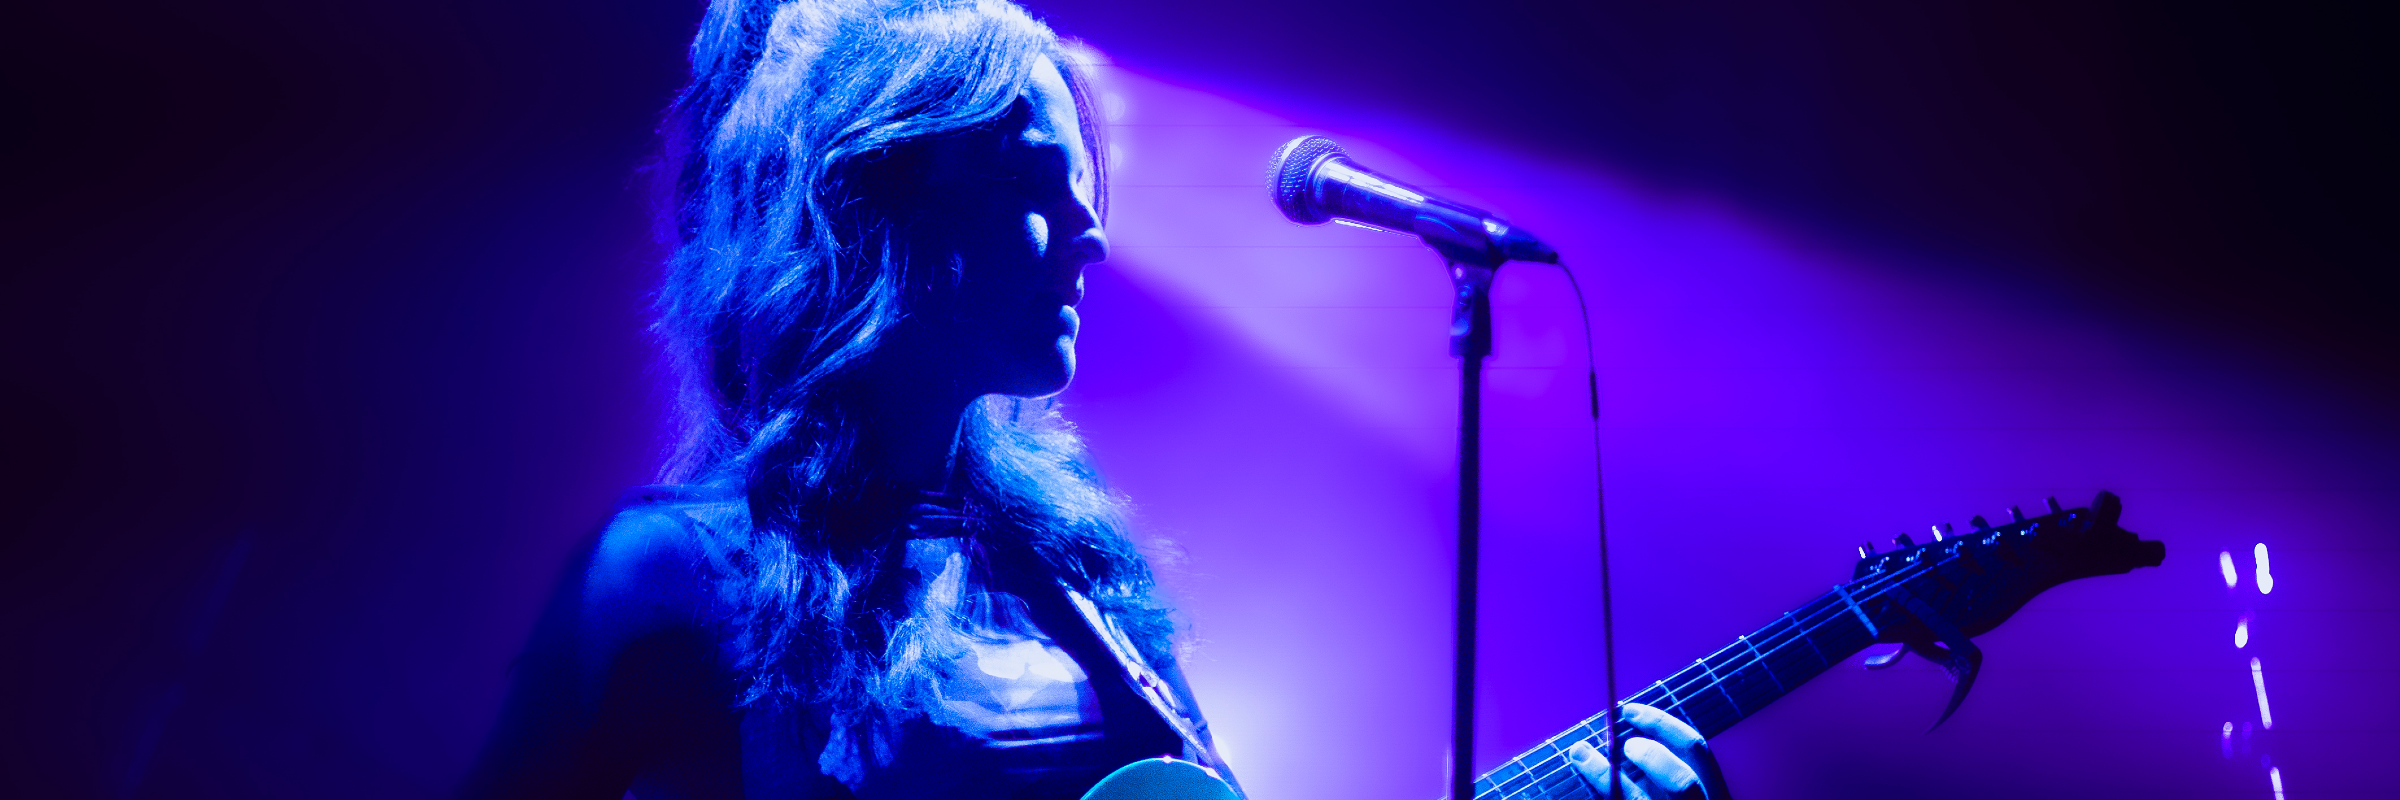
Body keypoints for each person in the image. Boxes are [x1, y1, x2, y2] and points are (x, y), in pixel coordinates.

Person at [459, 1, 1730, 798]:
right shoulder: (677, 573)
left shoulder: (1078, 572)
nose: (1094, 238)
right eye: (1032, 184)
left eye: (1087, 195)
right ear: (876, 203)